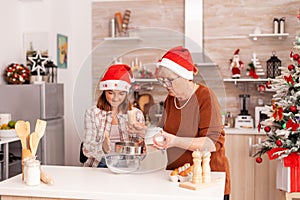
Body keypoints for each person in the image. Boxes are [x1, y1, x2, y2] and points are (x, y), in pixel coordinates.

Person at [155, 46, 230, 199]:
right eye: (162, 80)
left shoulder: (205, 97)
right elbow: (163, 132)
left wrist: (175, 141)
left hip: (205, 179)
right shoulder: (171, 99)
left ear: (185, 77)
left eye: (169, 80)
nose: (165, 85)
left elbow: (211, 143)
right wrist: (142, 133)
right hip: (177, 178)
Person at [82, 64, 145, 168]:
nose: (115, 98)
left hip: (127, 165)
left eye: (121, 94)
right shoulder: (92, 113)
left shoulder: (136, 114)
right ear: (104, 91)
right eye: (111, 93)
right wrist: (102, 146)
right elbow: (86, 149)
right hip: (99, 164)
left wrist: (142, 138)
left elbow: (141, 154)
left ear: (126, 93)